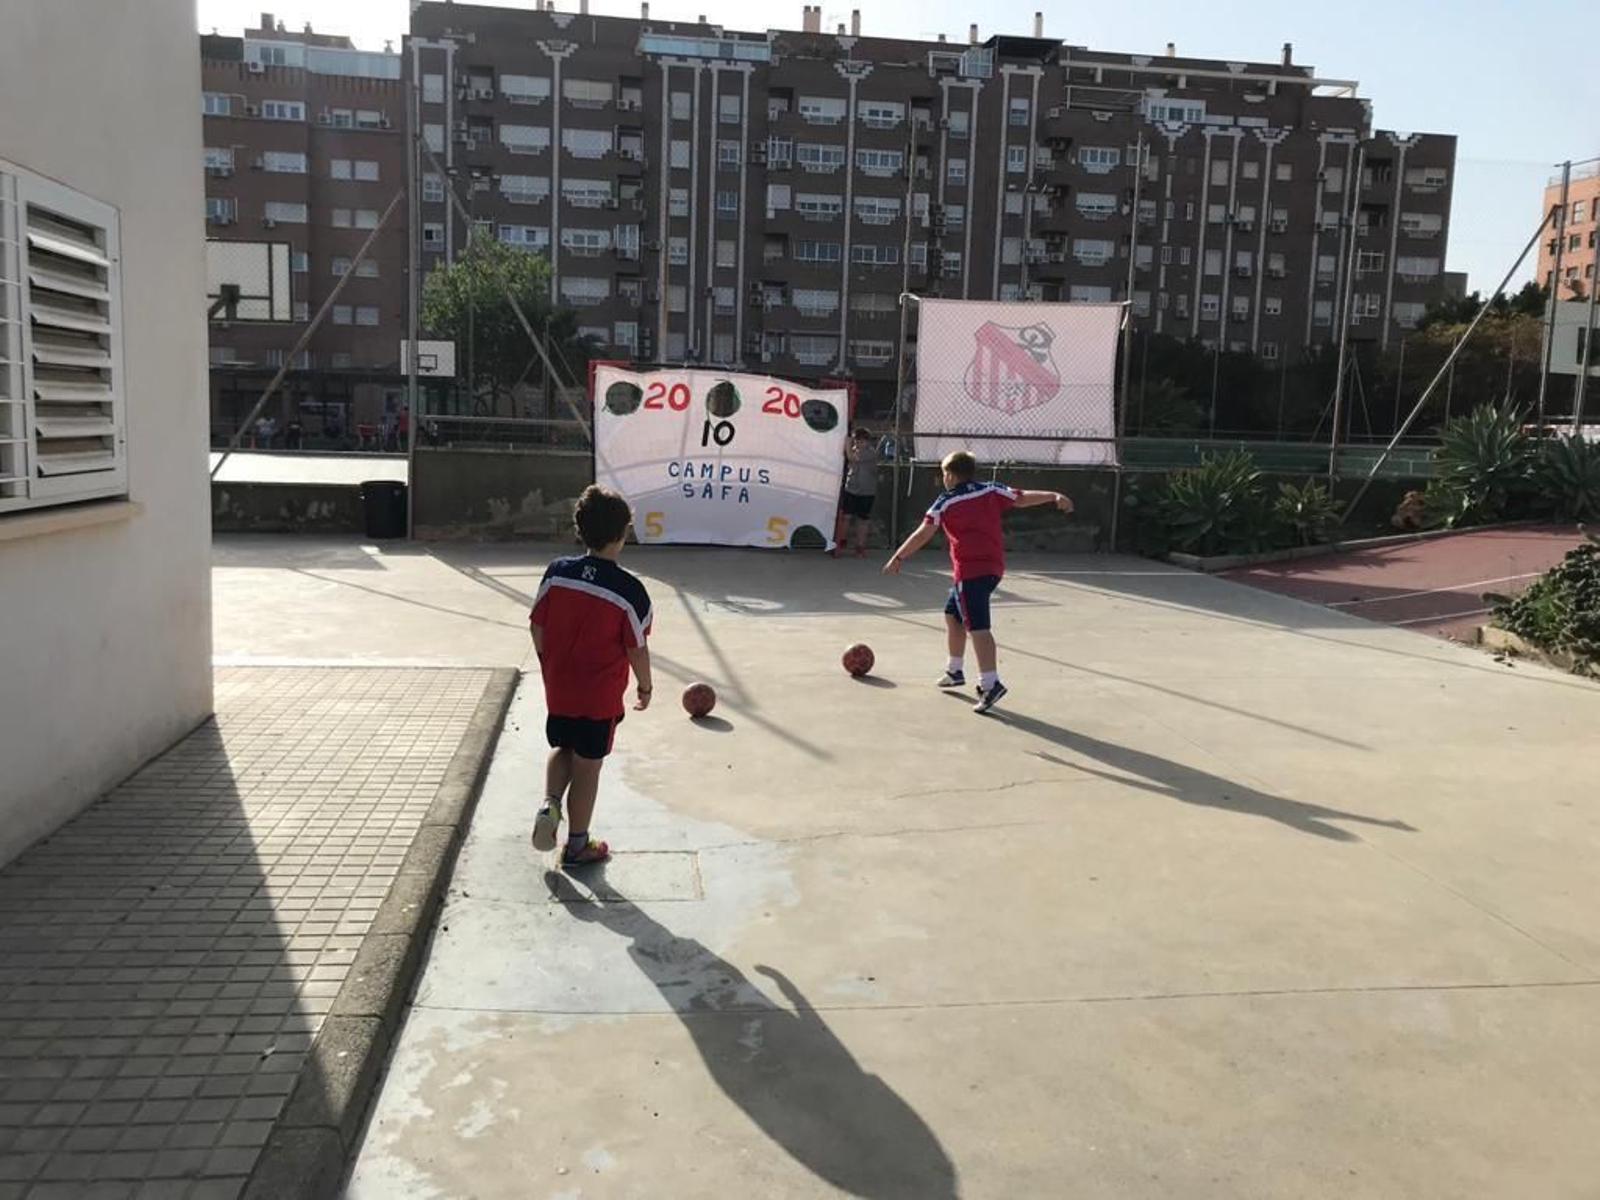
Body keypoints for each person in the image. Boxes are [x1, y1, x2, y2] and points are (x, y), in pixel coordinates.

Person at [882, 450, 1072, 715]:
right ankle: (955, 670)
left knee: (978, 628)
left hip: (970, 571)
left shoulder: (945, 501)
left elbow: (923, 532)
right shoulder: (991, 489)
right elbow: (1022, 498)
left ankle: (990, 684)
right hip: (993, 567)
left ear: (949, 475)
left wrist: (899, 556)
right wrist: (1053, 495)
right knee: (953, 615)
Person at [529, 485, 654, 866]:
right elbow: (636, 647)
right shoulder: (630, 591)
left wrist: (546, 663)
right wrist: (645, 686)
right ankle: (578, 844)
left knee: (563, 747)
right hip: (597, 696)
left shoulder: (557, 573)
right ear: (622, 534)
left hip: (560, 687)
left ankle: (550, 804)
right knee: (589, 764)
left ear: (580, 528)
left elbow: (536, 626)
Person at [831, 427, 880, 558]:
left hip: (866, 492)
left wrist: (847, 444)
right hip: (851, 489)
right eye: (856, 441)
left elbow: (853, 458)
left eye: (862, 441)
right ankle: (840, 543)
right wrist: (848, 445)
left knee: (862, 520)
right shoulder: (852, 450)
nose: (858, 444)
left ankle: (860, 547)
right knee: (846, 517)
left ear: (867, 442)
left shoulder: (871, 453)